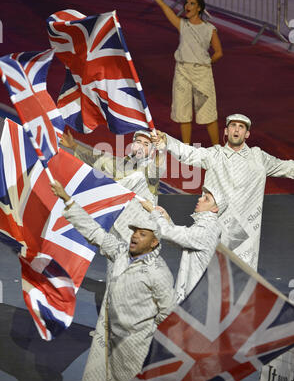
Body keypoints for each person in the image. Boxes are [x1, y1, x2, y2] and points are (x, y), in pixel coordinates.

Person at [50, 179, 176, 381]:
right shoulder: (120, 252)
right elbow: (95, 232)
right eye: (134, 231)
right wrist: (67, 200)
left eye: (142, 234)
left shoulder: (158, 272)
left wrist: (146, 336)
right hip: (111, 337)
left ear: (154, 243)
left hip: (138, 345)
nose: (135, 236)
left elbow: (168, 314)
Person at [151, 114, 294, 271]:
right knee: (212, 280)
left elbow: (287, 168)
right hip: (215, 229)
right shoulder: (214, 154)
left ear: (247, 134)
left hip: (245, 233)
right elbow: (188, 153)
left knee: (242, 279)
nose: (236, 129)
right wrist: (167, 141)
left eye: (241, 127)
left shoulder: (258, 157)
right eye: (233, 126)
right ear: (226, 131)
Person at [141, 0, 223, 146]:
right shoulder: (182, 25)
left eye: (192, 3)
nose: (187, 6)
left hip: (202, 73)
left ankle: (218, 149)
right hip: (182, 71)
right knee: (183, 111)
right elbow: (164, 6)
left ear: (199, 8)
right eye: (187, 3)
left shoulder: (209, 29)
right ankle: (186, 147)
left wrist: (206, 63)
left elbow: (219, 52)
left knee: (207, 112)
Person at [60, 129, 166, 243]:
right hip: (118, 227)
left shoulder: (149, 170)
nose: (141, 146)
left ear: (151, 151)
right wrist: (74, 146)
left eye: (146, 144)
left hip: (142, 230)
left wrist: (161, 150)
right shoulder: (121, 164)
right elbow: (98, 159)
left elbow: (158, 168)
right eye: (138, 142)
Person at [141, 185, 227, 303]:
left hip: (197, 301)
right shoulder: (206, 226)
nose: (200, 199)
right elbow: (181, 241)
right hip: (195, 297)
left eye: (206, 199)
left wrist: (153, 211)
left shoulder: (208, 228)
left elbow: (168, 233)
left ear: (215, 209)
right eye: (202, 197)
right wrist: (167, 219)